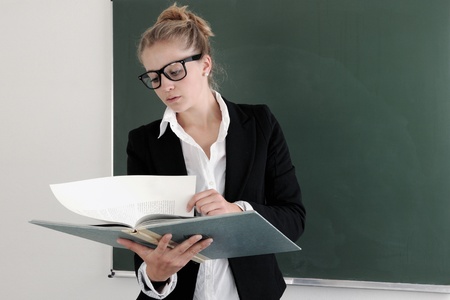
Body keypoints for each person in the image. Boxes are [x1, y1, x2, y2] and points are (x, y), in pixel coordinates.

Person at [117, 3, 306, 300]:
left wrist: (237, 212)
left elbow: (293, 219)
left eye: (175, 71)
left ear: (205, 65)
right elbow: (145, 237)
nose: (165, 86)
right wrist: (154, 276)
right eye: (154, 77)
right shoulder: (144, 142)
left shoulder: (259, 124)